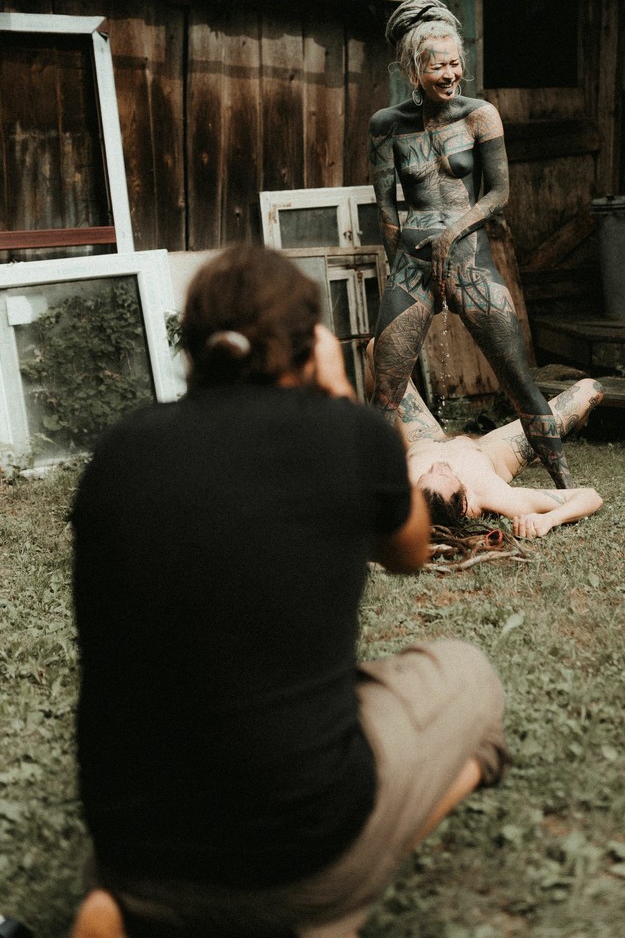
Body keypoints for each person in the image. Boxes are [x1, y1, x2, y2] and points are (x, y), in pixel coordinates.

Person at [70, 245, 508, 938]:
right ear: (310, 345)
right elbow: (409, 552)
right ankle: (324, 908)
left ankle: (122, 910)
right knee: (470, 677)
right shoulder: (346, 434)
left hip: (130, 857)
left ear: (193, 346)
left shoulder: (119, 449)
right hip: (297, 850)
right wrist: (340, 401)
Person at [368, 0, 575, 491]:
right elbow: (387, 208)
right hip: (412, 267)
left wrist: (452, 234)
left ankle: (565, 483)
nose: (450, 74)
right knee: (385, 391)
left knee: (520, 380)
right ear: (413, 69)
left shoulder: (480, 115)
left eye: (455, 63)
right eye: (437, 66)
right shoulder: (386, 126)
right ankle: (368, 493)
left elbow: (498, 193)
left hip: (471, 263)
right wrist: (401, 266)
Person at [366, 339, 605, 539]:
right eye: (444, 475)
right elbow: (590, 496)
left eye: (427, 473)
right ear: (464, 505)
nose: (437, 466)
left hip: (423, 436)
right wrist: (549, 520)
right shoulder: (491, 495)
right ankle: (568, 431)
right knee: (591, 389)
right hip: (492, 450)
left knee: (378, 347)